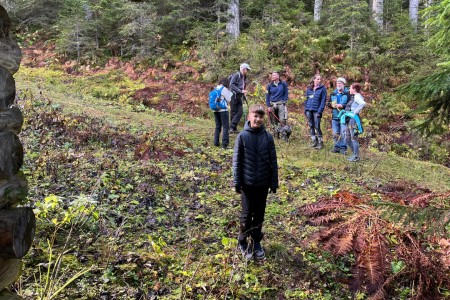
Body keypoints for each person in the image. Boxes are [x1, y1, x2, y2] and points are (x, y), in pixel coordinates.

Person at [233, 104, 278, 260]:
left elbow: (273, 160)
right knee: (246, 216)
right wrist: (237, 182)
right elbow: (237, 161)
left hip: (263, 184)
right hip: (247, 184)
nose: (258, 119)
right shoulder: (242, 136)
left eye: (260, 117)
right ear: (249, 117)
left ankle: (256, 241)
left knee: (259, 215)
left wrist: (273, 182)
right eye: (255, 116)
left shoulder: (268, 137)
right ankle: (242, 241)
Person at [341, 82, 366, 162]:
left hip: (353, 119)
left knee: (353, 137)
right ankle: (354, 154)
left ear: (354, 89)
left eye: (350, 88)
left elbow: (363, 103)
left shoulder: (357, 96)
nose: (349, 89)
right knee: (347, 138)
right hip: (349, 118)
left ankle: (356, 156)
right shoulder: (353, 96)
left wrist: (355, 111)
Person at [304, 74, 327, 149]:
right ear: (314, 79)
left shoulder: (322, 89)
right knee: (311, 126)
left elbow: (323, 101)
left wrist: (320, 111)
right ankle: (314, 141)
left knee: (317, 126)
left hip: (317, 110)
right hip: (308, 110)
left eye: (320, 79)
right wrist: (305, 109)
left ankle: (320, 142)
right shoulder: (309, 89)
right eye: (317, 79)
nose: (319, 80)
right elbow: (306, 100)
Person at [328, 77, 349, 154]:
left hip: (344, 116)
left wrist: (342, 106)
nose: (338, 84)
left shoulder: (348, 93)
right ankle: (337, 147)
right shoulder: (333, 93)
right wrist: (331, 105)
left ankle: (343, 148)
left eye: (340, 83)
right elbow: (328, 104)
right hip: (335, 116)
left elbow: (350, 105)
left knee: (344, 133)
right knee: (335, 132)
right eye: (337, 83)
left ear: (344, 85)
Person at [229, 63, 250, 134]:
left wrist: (243, 93)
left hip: (239, 96)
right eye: (247, 69)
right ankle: (232, 128)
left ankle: (233, 127)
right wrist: (240, 91)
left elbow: (242, 86)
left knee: (240, 112)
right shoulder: (236, 75)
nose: (247, 71)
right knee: (233, 112)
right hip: (233, 95)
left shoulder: (244, 77)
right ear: (243, 69)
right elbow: (231, 85)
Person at [213, 78, 234, 149]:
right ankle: (225, 145)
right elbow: (229, 99)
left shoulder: (215, 88)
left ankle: (216, 142)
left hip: (215, 109)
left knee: (218, 126)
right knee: (225, 127)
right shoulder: (224, 89)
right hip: (223, 110)